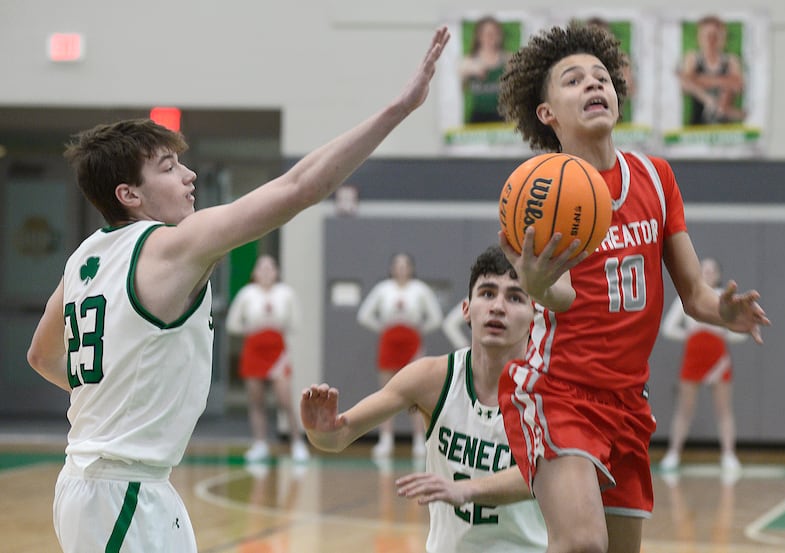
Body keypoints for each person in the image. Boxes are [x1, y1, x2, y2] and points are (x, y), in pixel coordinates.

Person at [25, 26, 450, 553]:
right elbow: (300, 188)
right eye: (169, 167)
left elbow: (43, 355)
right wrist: (400, 109)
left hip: (107, 482)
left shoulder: (83, 257)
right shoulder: (172, 245)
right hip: (121, 490)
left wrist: (110, 398)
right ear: (129, 193)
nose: (189, 175)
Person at [494, 22, 769, 553]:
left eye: (601, 77)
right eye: (573, 80)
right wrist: (536, 286)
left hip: (627, 400)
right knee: (581, 544)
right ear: (546, 114)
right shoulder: (541, 191)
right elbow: (562, 296)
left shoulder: (655, 177)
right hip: (558, 391)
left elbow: (694, 295)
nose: (594, 85)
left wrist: (724, 311)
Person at [301, 246, 548, 553]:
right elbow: (337, 438)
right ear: (466, 309)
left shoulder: (548, 390)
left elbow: (543, 476)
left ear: (535, 316)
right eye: (487, 293)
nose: (498, 306)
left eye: (514, 297)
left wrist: (466, 490)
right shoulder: (432, 378)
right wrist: (320, 431)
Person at [659, 257, 748, 473]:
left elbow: (742, 329)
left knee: (724, 409)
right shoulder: (690, 296)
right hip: (693, 356)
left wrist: (722, 337)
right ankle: (673, 453)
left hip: (718, 358)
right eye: (703, 269)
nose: (707, 273)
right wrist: (691, 336)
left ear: (718, 274)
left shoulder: (725, 298)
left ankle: (728, 454)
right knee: (684, 409)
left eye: (711, 270)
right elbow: (668, 328)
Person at [357, 252, 443, 458]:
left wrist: (419, 329)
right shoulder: (382, 289)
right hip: (389, 342)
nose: (402, 269)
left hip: (412, 342)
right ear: (392, 268)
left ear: (411, 268)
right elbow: (364, 315)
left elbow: (436, 317)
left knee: (415, 392)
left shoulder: (420, 289)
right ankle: (386, 440)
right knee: (386, 391)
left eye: (405, 265)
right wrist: (383, 328)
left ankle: (419, 440)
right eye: (398, 265)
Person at [226, 254, 309, 463]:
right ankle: (260, 443)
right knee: (256, 401)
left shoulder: (286, 293)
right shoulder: (247, 293)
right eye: (261, 268)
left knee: (285, 400)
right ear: (254, 273)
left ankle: (297, 442)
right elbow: (232, 324)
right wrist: (252, 328)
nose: (265, 272)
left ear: (277, 272)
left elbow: (295, 322)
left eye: (270, 268)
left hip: (277, 352)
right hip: (253, 351)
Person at [678, 15, 745, 125]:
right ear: (699, 37)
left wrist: (699, 80)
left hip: (725, 125)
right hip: (697, 123)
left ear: (722, 37)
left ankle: (720, 108)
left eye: (715, 35)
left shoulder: (731, 60)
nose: (710, 40)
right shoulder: (693, 58)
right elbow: (685, 85)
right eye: (706, 35)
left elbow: (738, 85)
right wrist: (726, 81)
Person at [459, 16, 512, 124]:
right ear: (479, 36)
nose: (490, 37)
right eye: (487, 34)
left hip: (501, 117)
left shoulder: (508, 59)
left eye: (494, 33)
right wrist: (473, 69)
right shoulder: (469, 61)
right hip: (477, 117)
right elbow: (458, 78)